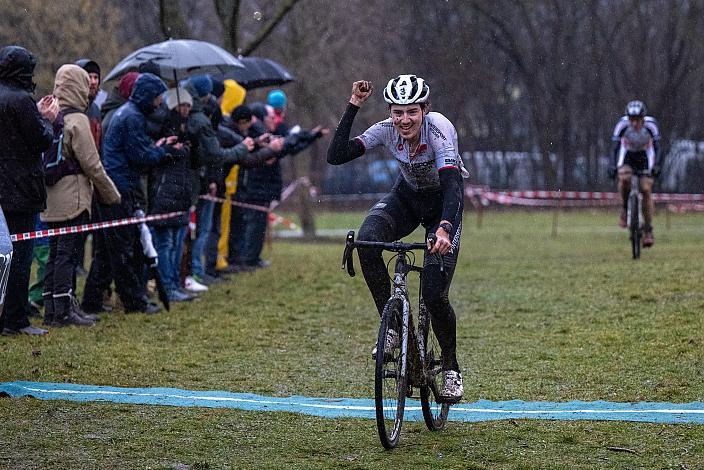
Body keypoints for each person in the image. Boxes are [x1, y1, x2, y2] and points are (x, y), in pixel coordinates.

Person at [327, 75, 468, 402]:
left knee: (434, 296)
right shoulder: (386, 129)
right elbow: (336, 155)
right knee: (367, 241)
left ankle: (450, 367)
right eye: (397, 112)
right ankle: (392, 325)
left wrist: (445, 227)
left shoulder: (439, 131)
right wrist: (354, 106)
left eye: (412, 113)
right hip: (407, 198)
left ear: (425, 110)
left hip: (443, 205)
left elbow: (452, 187)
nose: (404, 120)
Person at [41, 64, 121, 327]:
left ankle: (52, 308)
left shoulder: (51, 117)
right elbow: (92, 164)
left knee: (55, 254)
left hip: (51, 198)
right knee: (68, 254)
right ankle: (65, 310)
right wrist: (111, 195)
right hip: (73, 198)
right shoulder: (78, 121)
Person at [101, 72, 185, 314]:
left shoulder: (128, 113)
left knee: (124, 247)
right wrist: (164, 151)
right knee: (126, 248)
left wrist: (155, 148)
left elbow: (136, 149)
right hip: (122, 187)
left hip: (122, 184)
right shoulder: (132, 117)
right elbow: (140, 156)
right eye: (158, 98)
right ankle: (133, 301)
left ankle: (124, 298)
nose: (160, 103)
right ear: (149, 96)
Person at [0, 46, 57, 336]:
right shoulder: (21, 99)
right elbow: (40, 141)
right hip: (20, 192)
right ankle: (16, 320)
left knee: (3, 256)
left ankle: (3, 316)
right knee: (22, 257)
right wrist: (47, 118)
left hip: (3, 190)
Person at [609, 100, 660, 247]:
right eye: (631, 120)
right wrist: (613, 166)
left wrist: (656, 166)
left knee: (645, 189)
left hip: (645, 157)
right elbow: (614, 147)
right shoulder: (622, 125)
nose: (634, 124)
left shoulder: (651, 125)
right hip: (628, 156)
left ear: (643, 119)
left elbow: (657, 148)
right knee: (624, 179)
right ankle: (625, 209)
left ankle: (648, 229)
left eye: (637, 120)